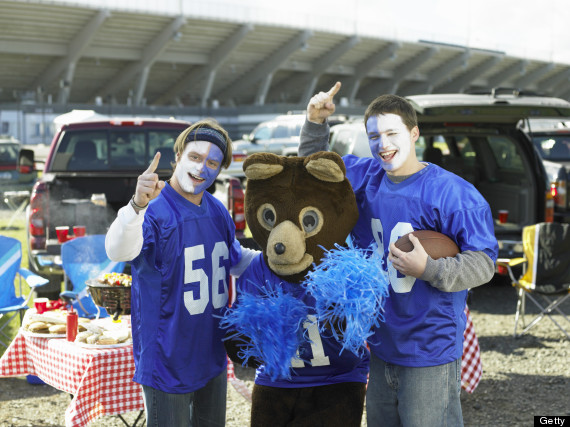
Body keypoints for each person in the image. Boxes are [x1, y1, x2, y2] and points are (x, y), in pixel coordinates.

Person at [299, 82, 498, 427]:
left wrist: (430, 268)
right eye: (374, 136)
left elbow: (484, 263)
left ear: (414, 133)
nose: (383, 144)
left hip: (427, 347)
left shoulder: (453, 193)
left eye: (392, 133)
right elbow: (313, 174)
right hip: (380, 341)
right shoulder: (365, 176)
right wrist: (316, 123)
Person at [105, 118, 256, 427]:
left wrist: (281, 264)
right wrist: (135, 206)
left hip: (210, 354)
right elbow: (117, 251)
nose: (202, 169)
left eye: (212, 162)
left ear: (220, 170)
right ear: (178, 157)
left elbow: (235, 259)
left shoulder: (217, 210)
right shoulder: (154, 211)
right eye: (195, 157)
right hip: (167, 358)